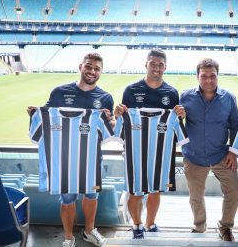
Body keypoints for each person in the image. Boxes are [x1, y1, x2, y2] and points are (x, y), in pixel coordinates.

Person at [27, 53, 113, 247]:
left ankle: (89, 231)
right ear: (81, 66)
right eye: (89, 67)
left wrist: (111, 119)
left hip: (91, 157)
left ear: (101, 72)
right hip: (63, 158)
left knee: (92, 195)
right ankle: (68, 237)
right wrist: (35, 114)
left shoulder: (105, 97)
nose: (92, 71)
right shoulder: (59, 92)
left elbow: (109, 129)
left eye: (96, 68)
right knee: (67, 198)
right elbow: (46, 115)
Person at [114, 49, 185, 239]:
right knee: (135, 191)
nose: (156, 68)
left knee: (155, 191)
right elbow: (123, 120)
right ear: (145, 64)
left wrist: (180, 115)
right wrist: (118, 112)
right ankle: (137, 225)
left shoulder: (171, 93)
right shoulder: (131, 90)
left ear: (165, 67)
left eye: (160, 65)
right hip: (134, 151)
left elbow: (177, 123)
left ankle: (150, 223)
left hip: (160, 152)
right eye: (152, 63)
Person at [180, 58, 238, 242]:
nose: (208, 80)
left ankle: (225, 226)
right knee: (195, 196)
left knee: (233, 191)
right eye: (204, 76)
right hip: (194, 156)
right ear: (197, 76)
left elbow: (235, 127)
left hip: (222, 155)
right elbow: (174, 124)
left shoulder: (229, 98)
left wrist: (233, 151)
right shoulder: (185, 96)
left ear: (217, 75)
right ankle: (199, 225)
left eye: (212, 76)